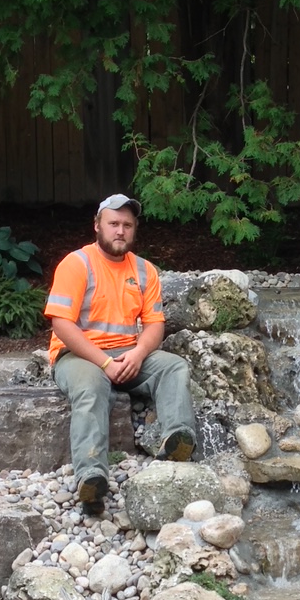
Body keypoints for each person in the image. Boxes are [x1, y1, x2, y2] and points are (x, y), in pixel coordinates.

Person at [44, 194, 196, 515]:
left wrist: (139, 354)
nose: (120, 230)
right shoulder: (77, 264)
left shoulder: (144, 270)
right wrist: (104, 363)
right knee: (91, 386)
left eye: (127, 225)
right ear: (97, 225)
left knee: (174, 367)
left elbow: (154, 325)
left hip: (128, 354)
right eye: (113, 223)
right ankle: (91, 478)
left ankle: (177, 441)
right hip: (78, 355)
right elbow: (62, 325)